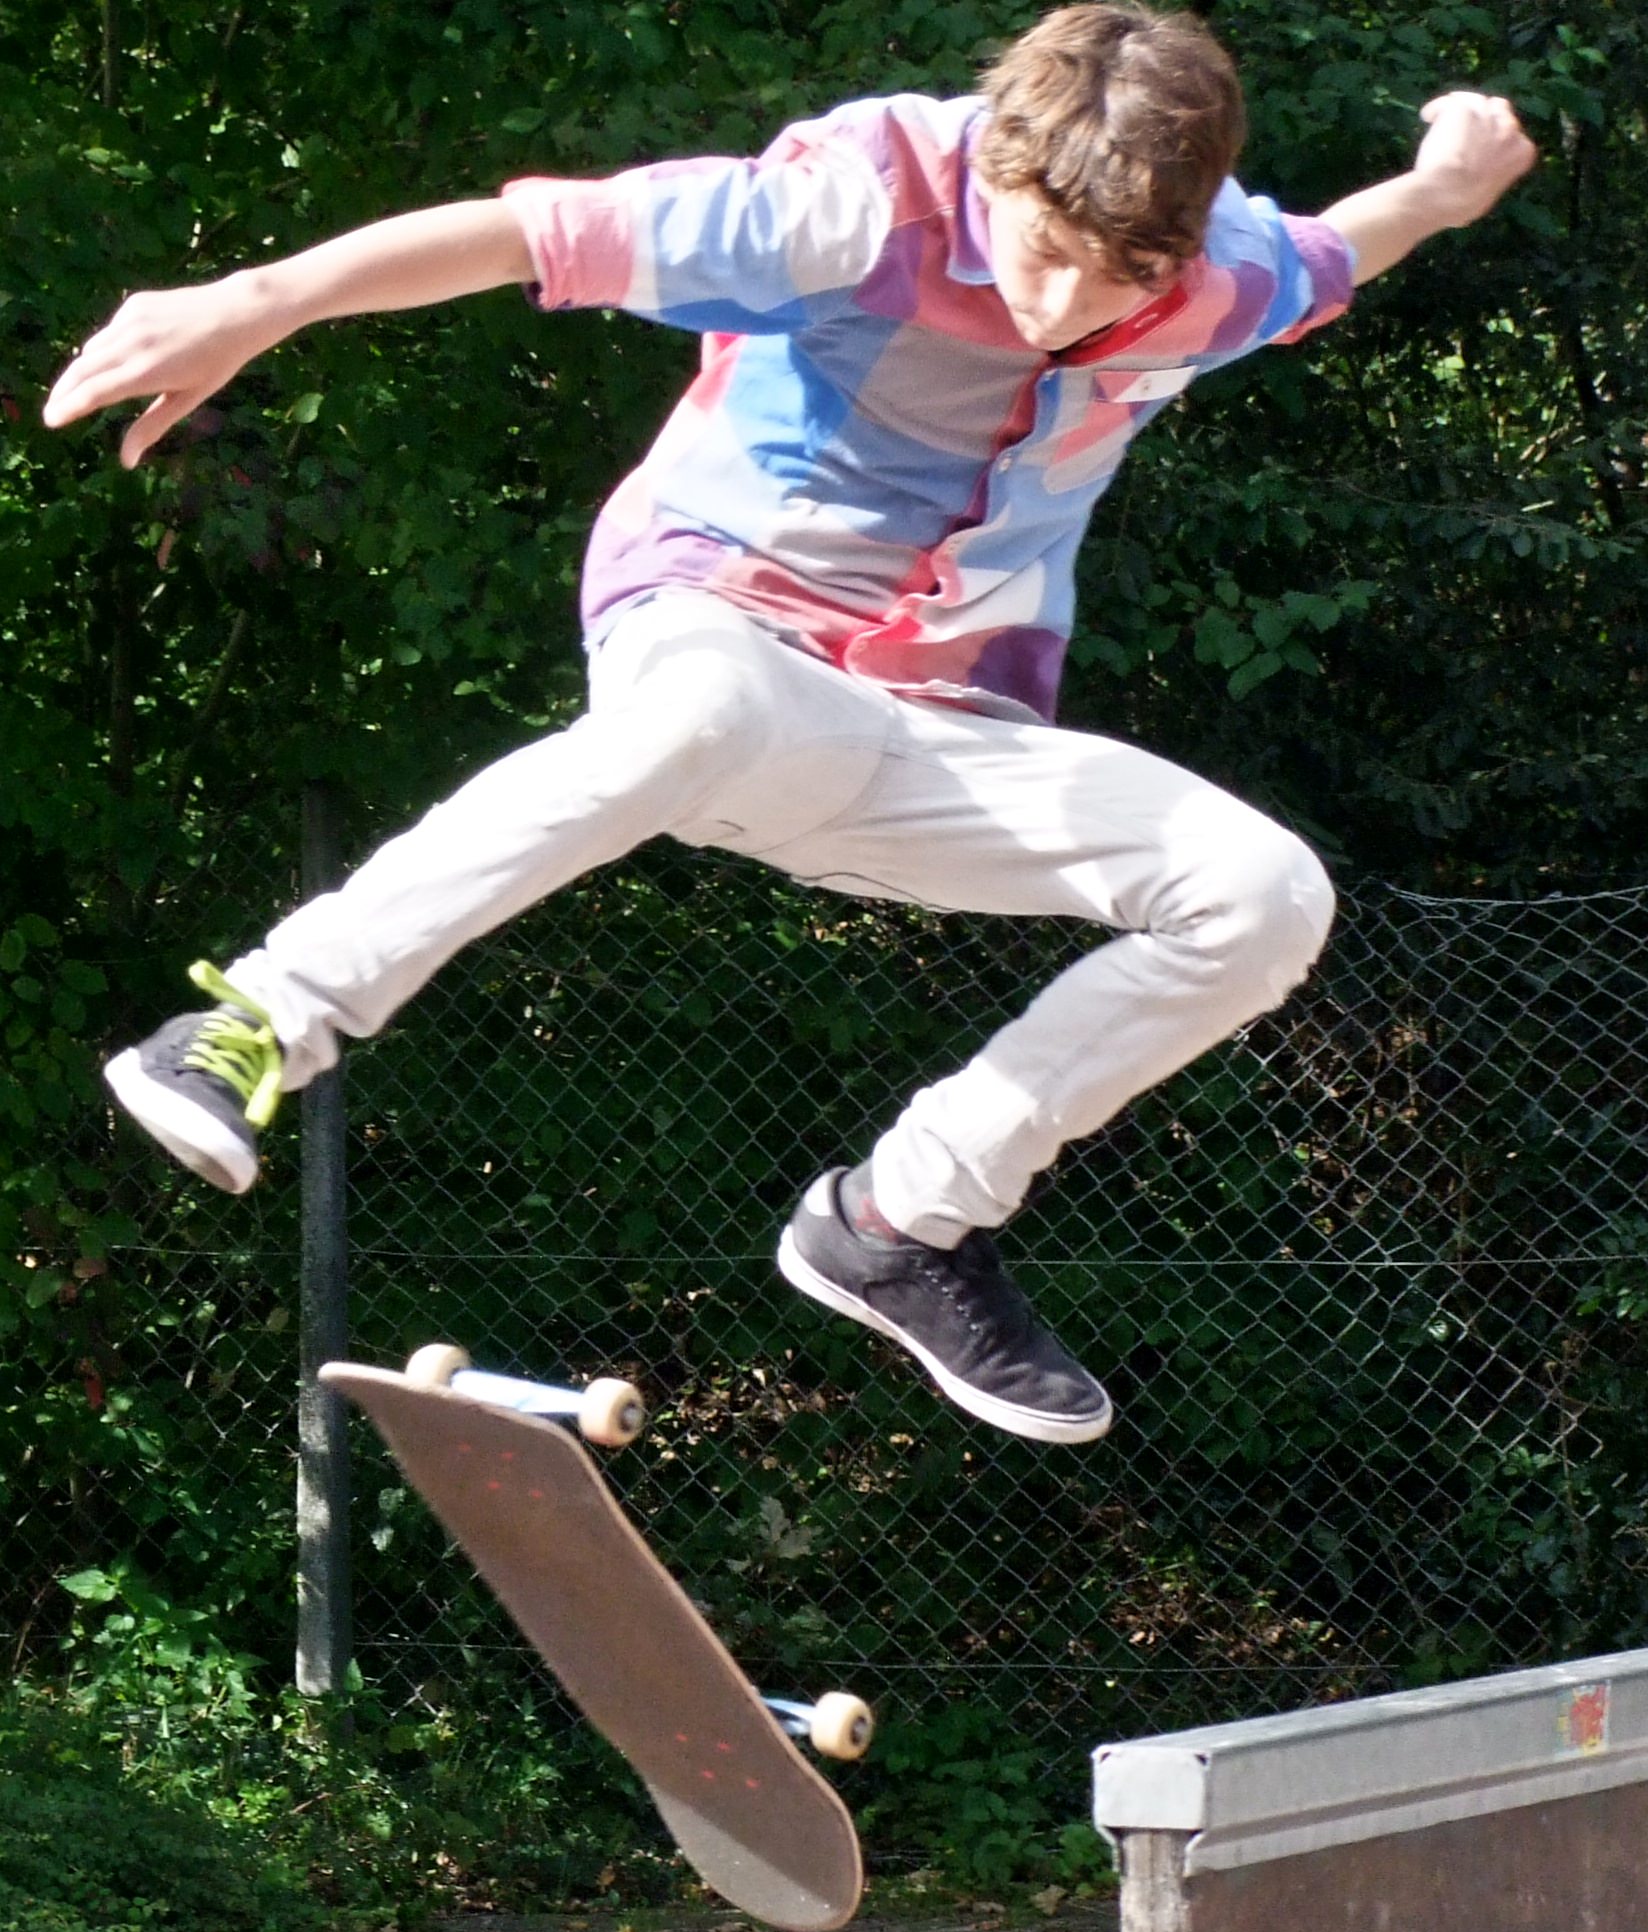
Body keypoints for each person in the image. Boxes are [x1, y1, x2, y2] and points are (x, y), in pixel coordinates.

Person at [44, 6, 1535, 1446]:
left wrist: (1447, 185)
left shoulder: (1217, 271)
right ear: (999, 166)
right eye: (1042, 252)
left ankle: (899, 1223)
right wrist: (255, 303)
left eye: (1113, 282)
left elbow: (1342, 245)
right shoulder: (856, 204)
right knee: (708, 705)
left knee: (1266, 894)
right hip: (721, 629)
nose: (1064, 307)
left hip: (935, 727)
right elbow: (531, 234)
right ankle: (252, 1025)